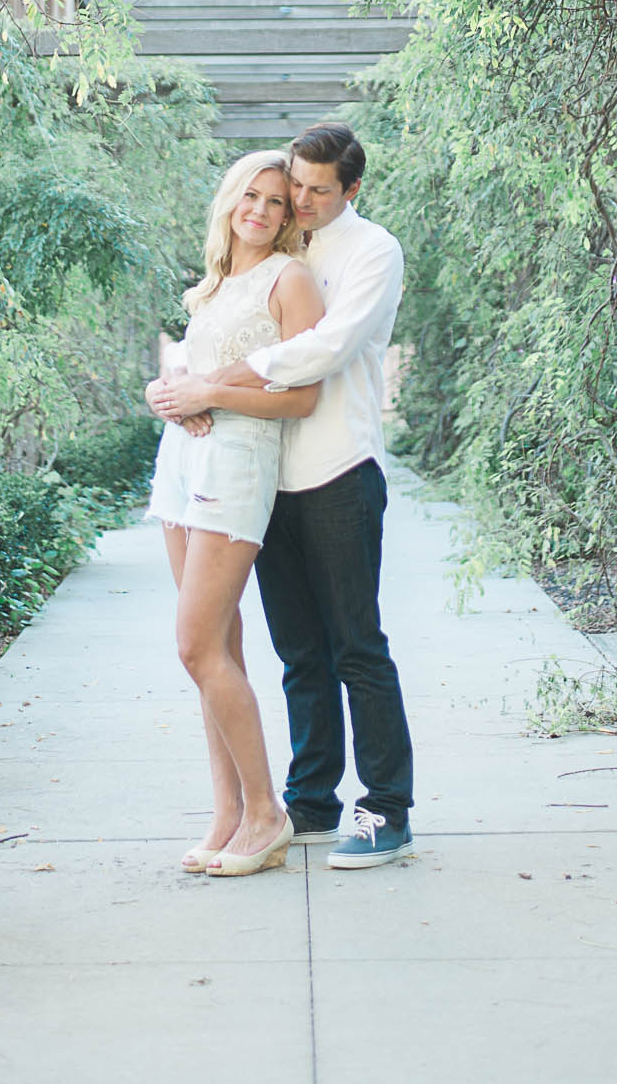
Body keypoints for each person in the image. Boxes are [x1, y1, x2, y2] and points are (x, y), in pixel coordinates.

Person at [150, 123, 415, 870]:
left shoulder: (371, 251)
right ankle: (310, 797)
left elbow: (321, 352)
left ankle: (386, 807)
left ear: (350, 190)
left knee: (356, 644)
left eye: (312, 190)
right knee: (299, 652)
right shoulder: (276, 252)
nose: (295, 200)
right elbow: (203, 344)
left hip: (336, 466)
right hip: (273, 480)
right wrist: (177, 386)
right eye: (288, 184)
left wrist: (214, 384)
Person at [144, 151, 325, 878]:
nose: (260, 208)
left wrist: (207, 396)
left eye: (276, 201)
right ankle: (226, 811)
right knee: (218, 649)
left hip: (236, 467)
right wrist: (168, 392)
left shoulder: (291, 280)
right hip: (180, 468)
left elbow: (300, 398)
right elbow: (192, 376)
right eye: (249, 194)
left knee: (195, 646)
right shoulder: (213, 285)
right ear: (229, 201)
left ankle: (266, 813)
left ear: (288, 218)